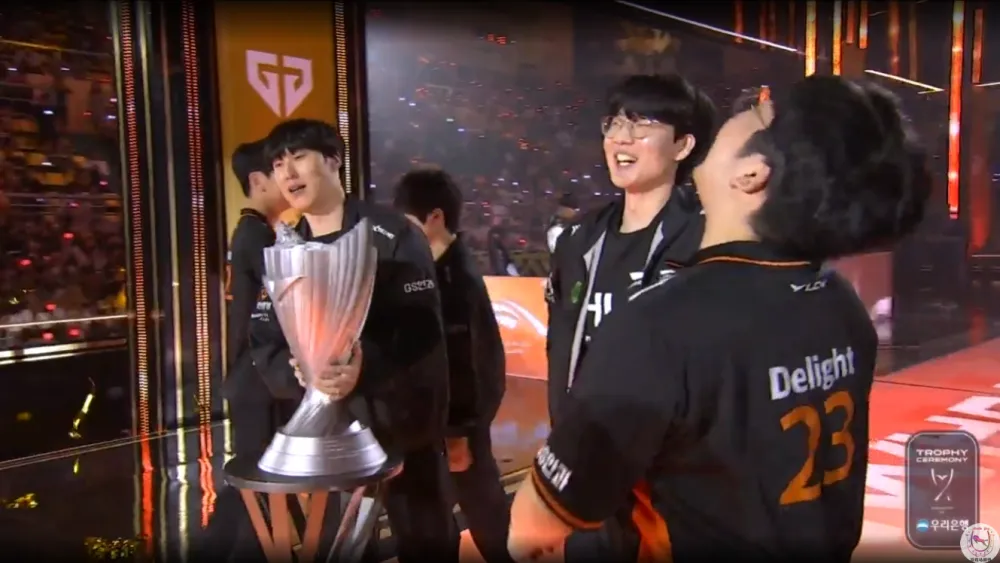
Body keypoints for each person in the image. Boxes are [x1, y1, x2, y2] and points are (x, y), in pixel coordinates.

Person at [508, 76, 931, 562]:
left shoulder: (660, 325)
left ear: (752, 174)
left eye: (757, 113)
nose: (738, 112)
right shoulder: (840, 303)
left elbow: (536, 523)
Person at [247, 119, 458, 561]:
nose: (288, 172)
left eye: (298, 157)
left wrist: (367, 366)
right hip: (325, 439)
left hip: (401, 428)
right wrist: (298, 372)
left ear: (333, 161)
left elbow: (422, 327)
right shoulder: (284, 249)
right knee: (341, 547)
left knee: (426, 543)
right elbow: (265, 338)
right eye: (278, 164)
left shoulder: (392, 234)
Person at [545, 73, 717, 427]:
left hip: (668, 451)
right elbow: (561, 348)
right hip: (583, 441)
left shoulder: (707, 238)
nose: (621, 138)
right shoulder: (577, 240)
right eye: (615, 123)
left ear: (682, 145)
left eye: (642, 125)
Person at [393, 167, 513, 563]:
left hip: (457, 424)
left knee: (485, 514)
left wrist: (460, 432)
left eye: (408, 222)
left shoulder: (455, 278)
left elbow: (468, 362)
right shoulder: (430, 268)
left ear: (435, 217)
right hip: (439, 421)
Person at [223, 138, 291, 456]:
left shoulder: (254, 231)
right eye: (279, 169)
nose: (290, 178)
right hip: (258, 379)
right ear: (258, 181)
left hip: (255, 376)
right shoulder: (256, 236)